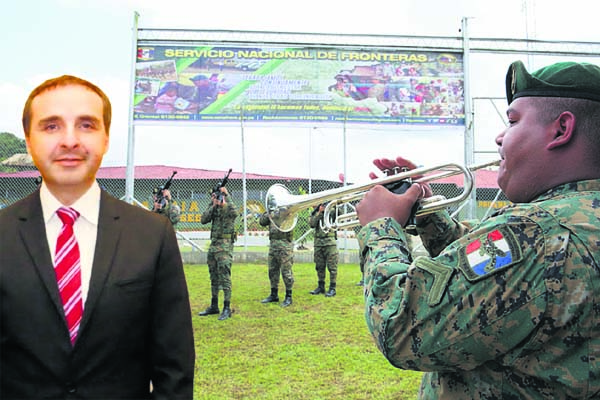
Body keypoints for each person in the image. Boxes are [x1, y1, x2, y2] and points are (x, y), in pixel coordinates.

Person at [355, 60, 600, 399]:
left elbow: (399, 327)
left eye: (512, 121)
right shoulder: (573, 221)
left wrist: (380, 227)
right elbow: (495, 272)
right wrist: (428, 215)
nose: (500, 136)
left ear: (561, 130)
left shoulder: (538, 234)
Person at [0, 75, 195, 399]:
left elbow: (173, 369)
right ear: (29, 139)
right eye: (51, 126)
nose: (70, 141)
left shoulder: (152, 235)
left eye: (87, 125)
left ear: (105, 138)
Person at [198, 186, 239, 320]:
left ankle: (227, 307)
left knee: (224, 276)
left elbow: (235, 213)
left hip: (225, 245)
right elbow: (203, 219)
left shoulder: (229, 207)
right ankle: (214, 305)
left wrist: (227, 196)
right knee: (213, 276)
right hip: (214, 244)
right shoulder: (214, 207)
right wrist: (213, 205)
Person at [258, 212, 295, 307]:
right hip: (273, 244)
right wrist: (268, 214)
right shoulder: (272, 210)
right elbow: (262, 222)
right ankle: (274, 294)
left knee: (286, 271)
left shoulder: (288, 209)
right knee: (272, 270)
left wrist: (277, 212)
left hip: (285, 244)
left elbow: (286, 217)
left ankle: (288, 296)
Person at [309, 204, 339, 297]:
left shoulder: (333, 210)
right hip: (318, 243)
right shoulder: (315, 213)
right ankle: (321, 286)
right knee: (319, 266)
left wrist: (332, 206)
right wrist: (320, 212)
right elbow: (312, 224)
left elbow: (339, 215)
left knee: (332, 266)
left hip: (330, 242)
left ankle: (332, 288)